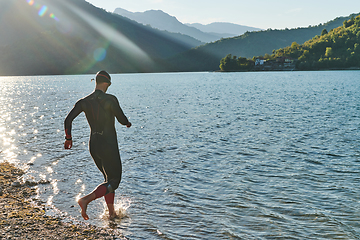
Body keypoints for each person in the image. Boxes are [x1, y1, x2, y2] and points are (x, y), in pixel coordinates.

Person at [64, 70, 131, 220]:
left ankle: (112, 213)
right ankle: (85, 200)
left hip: (94, 145)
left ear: (96, 82)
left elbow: (68, 120)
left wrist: (68, 138)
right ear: (107, 83)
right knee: (114, 180)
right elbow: (121, 119)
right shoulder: (110, 99)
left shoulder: (84, 101)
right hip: (108, 144)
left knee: (108, 179)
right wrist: (127, 123)